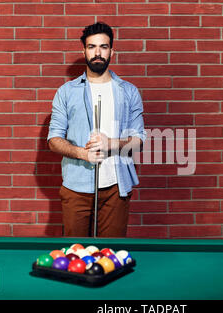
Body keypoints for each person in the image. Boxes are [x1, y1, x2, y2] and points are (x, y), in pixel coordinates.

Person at [47, 22, 146, 237]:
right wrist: (82, 153)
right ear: (83, 50)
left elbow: (139, 139)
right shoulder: (66, 92)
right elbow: (54, 138)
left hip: (115, 187)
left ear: (112, 50)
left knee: (111, 255)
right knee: (76, 254)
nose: (98, 53)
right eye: (92, 47)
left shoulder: (128, 92)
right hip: (76, 186)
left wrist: (111, 144)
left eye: (103, 47)